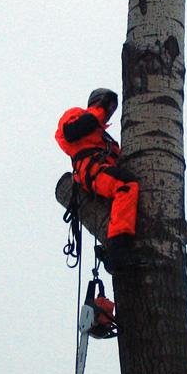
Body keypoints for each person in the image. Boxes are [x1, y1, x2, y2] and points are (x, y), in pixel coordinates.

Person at [55, 88, 138, 268]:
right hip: (92, 170)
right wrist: (99, 110)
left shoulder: (104, 137)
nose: (109, 113)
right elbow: (70, 132)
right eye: (109, 107)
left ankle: (114, 248)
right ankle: (118, 249)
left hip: (103, 171)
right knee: (125, 184)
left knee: (126, 198)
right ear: (98, 101)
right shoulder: (78, 115)